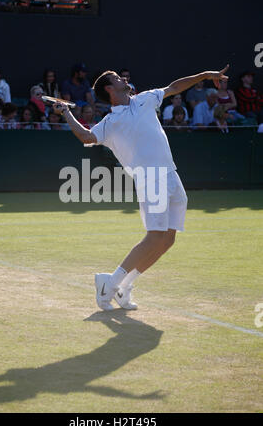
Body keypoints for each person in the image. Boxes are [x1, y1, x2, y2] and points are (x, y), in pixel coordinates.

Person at [52, 65, 229, 311]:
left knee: (167, 239)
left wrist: (206, 76)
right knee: (154, 237)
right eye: (116, 78)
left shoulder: (145, 99)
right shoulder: (110, 122)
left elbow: (175, 87)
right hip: (151, 178)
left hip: (171, 174)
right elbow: (86, 136)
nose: (123, 78)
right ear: (109, 89)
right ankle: (109, 285)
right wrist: (67, 114)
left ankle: (124, 285)